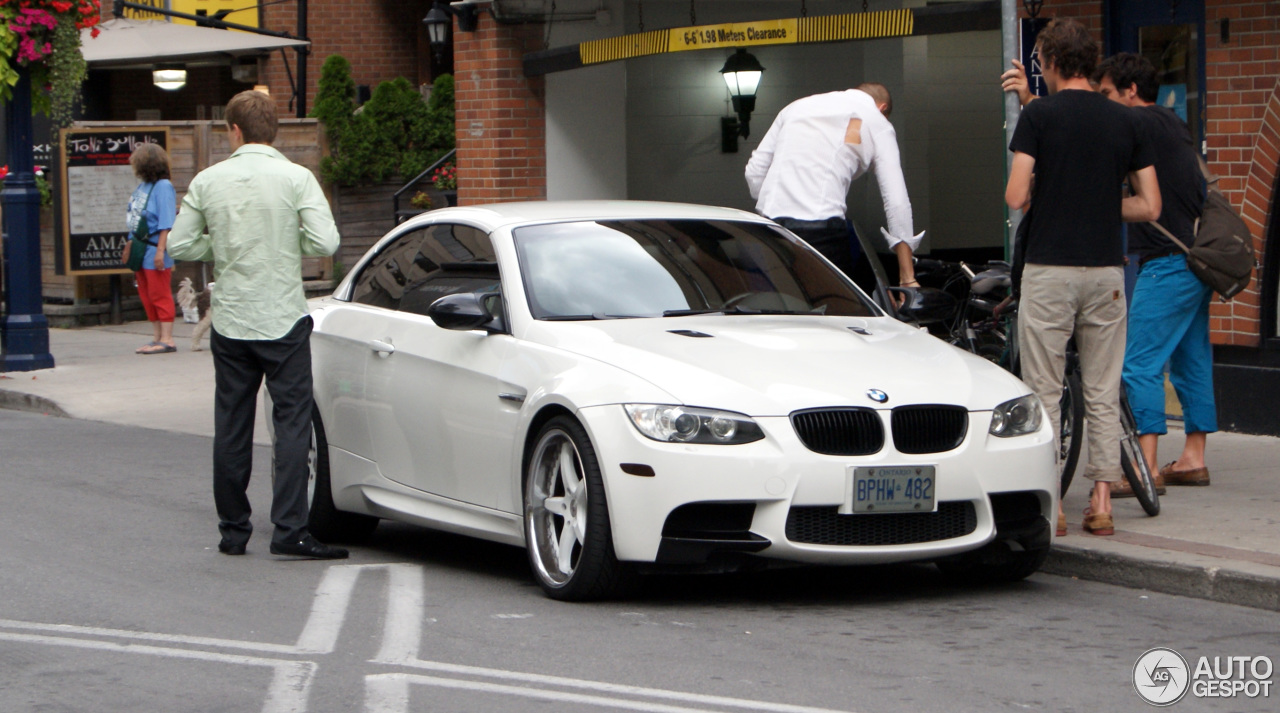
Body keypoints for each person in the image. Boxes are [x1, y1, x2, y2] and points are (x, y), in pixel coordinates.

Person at [168, 90, 345, 559]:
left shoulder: (209, 179)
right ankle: (289, 529)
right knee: (291, 424)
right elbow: (326, 239)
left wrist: (222, 248)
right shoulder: (296, 177)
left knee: (232, 422)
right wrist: (286, 242)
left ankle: (233, 530)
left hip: (231, 319)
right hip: (283, 316)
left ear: (235, 130)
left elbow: (181, 246)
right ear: (274, 133)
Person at [1003, 19, 1161, 536]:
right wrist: (1099, 201)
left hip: (1050, 268)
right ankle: (1102, 502)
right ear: (1091, 63)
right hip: (1106, 271)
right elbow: (1150, 204)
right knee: (1102, 387)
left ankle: (1055, 504)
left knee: (1044, 389)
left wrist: (1052, 193)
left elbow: (1015, 195)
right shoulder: (1127, 122)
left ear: (1048, 61)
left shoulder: (1039, 116)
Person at [1094, 53, 1215, 493]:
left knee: (1138, 363)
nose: (1104, 102)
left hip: (1166, 263)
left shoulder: (1137, 125)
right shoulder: (1172, 123)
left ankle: (1146, 468)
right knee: (1191, 357)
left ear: (1130, 91)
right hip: (1197, 259)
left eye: (1106, 93)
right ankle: (1193, 458)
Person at [744, 82, 924, 292]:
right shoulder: (876, 120)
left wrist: (775, 202)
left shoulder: (795, 108)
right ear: (882, 108)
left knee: (776, 313)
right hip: (821, 233)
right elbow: (896, 201)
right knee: (833, 315)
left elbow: (754, 172)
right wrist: (907, 277)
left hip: (769, 230)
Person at [122, 143, 177, 355]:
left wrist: (160, 251)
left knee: (159, 292)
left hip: (154, 246)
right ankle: (156, 337)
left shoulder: (163, 187)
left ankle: (168, 338)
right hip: (139, 247)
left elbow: (166, 221)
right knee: (146, 294)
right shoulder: (143, 186)